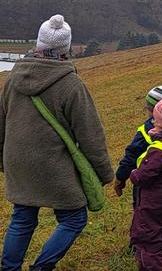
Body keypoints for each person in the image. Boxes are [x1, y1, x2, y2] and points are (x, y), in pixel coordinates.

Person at [0, 15, 113, 271]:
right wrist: (104, 173)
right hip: (52, 164)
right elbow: (91, 135)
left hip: (17, 160)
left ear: (38, 44)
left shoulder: (13, 79)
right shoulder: (71, 84)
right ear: (66, 48)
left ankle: (9, 268)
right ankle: (42, 267)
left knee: (22, 216)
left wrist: (3, 160)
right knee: (74, 218)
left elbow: (0, 123)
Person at [129, 96, 162, 271]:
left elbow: (142, 176)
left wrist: (133, 174)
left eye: (155, 120)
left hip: (153, 204)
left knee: (148, 241)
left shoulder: (159, 149)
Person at [113, 85, 162, 199]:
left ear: (154, 111)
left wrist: (120, 177)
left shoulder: (145, 132)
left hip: (153, 187)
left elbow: (131, 155)